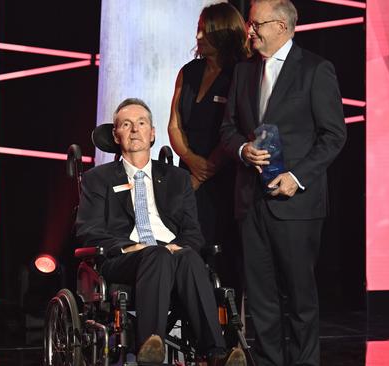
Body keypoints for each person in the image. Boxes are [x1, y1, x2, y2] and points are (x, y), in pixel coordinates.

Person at [219, 1, 347, 365]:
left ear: (281, 26)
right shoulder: (243, 73)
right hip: (250, 202)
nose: (250, 31)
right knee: (261, 299)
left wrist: (297, 176)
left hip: (295, 204)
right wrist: (243, 149)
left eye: (256, 24)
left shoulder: (315, 70)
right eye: (250, 24)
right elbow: (227, 129)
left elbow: (333, 135)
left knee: (299, 297)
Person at [75, 98, 245, 365]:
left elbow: (192, 230)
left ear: (152, 132)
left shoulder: (177, 178)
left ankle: (215, 353)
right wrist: (131, 247)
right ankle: (149, 346)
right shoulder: (98, 179)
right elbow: (89, 229)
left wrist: (178, 246)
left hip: (172, 253)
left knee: (189, 256)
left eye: (141, 123)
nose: (134, 130)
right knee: (157, 255)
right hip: (125, 258)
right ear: (116, 135)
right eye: (126, 124)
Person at [167, 2, 250, 331]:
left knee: (225, 257)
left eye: (207, 29)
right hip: (188, 177)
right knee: (190, 253)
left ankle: (229, 333)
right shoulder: (188, 71)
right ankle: (194, 330)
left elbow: (240, 125)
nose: (198, 35)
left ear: (226, 33)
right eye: (198, 28)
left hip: (225, 180)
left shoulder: (241, 73)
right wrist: (191, 162)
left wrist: (207, 169)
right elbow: (174, 124)